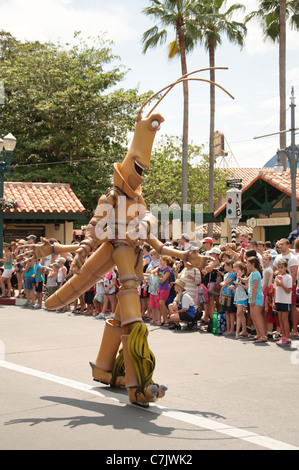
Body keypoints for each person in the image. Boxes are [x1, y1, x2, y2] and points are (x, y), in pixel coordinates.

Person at [273, 238, 298, 338]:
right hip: (279, 286)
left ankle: (294, 330)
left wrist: (289, 287)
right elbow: (274, 271)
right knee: (280, 313)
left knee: (292, 307)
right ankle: (282, 333)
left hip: (289, 285)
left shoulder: (293, 258)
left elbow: (294, 274)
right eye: (279, 244)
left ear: (288, 245)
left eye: (282, 244)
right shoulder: (277, 257)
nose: (280, 246)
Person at [247, 256, 267, 343]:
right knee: (253, 316)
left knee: (257, 316)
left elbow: (255, 287)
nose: (247, 265)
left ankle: (263, 335)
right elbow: (247, 281)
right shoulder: (252, 273)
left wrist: (252, 299)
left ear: (253, 264)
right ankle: (259, 334)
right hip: (252, 296)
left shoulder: (256, 273)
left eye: (248, 263)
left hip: (256, 297)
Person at [274, 260, 293, 347]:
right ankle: (283, 336)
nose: (280, 269)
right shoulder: (277, 277)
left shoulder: (288, 277)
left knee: (285, 319)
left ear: (286, 267)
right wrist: (275, 301)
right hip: (279, 299)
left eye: (282, 267)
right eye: (279, 267)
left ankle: (287, 337)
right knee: (280, 318)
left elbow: (289, 290)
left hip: (285, 300)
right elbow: (275, 290)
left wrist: (281, 284)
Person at [152, 255, 172, 326]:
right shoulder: (160, 268)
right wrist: (154, 271)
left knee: (161, 303)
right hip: (160, 288)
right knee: (161, 304)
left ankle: (166, 319)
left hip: (165, 288)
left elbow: (163, 280)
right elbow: (153, 271)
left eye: (161, 260)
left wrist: (157, 275)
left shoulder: (168, 270)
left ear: (165, 261)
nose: (159, 261)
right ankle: (164, 319)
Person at [220, 259, 236, 336]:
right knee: (226, 312)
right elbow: (222, 286)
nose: (224, 267)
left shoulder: (232, 274)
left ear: (230, 266)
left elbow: (225, 284)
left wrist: (222, 283)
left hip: (230, 295)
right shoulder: (226, 274)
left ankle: (232, 329)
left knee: (231, 312)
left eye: (226, 265)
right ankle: (228, 328)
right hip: (224, 295)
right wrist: (220, 296)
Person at [232, 261, 248, 339]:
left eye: (234, 267)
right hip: (238, 296)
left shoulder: (244, 276)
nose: (233, 269)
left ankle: (237, 332)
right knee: (241, 314)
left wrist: (239, 283)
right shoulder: (237, 276)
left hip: (242, 297)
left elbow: (247, 287)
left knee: (238, 314)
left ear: (238, 268)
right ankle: (244, 330)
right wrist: (234, 286)